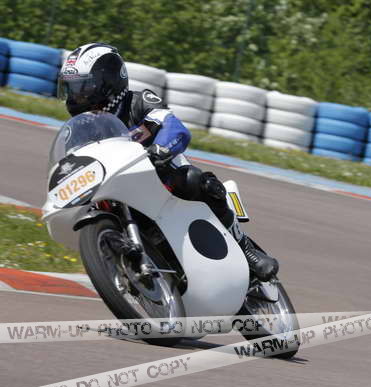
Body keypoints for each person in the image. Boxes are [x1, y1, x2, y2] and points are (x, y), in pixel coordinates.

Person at [56, 43, 278, 282]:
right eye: (70, 89)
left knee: (195, 179)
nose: (74, 97)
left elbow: (174, 127)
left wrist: (160, 150)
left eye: (82, 88)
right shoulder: (80, 130)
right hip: (120, 190)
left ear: (107, 82)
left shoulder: (139, 102)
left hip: (163, 179)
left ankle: (245, 248)